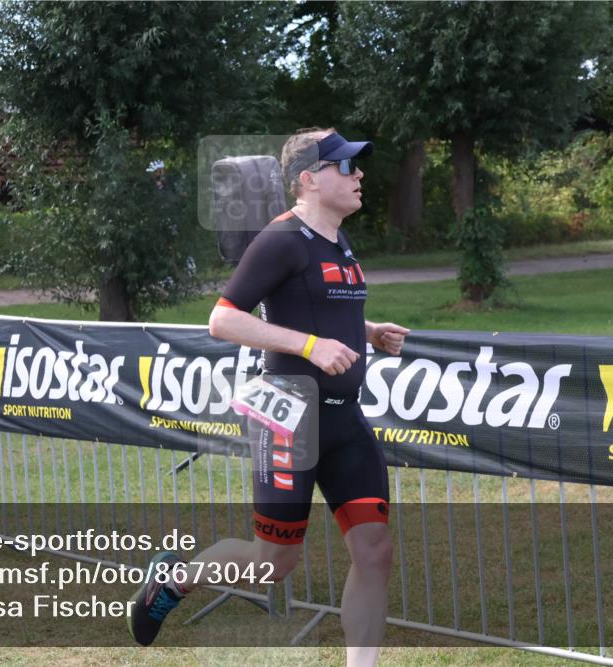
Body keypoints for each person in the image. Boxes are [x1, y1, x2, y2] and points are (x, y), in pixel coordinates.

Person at [129, 128, 410, 666]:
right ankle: (174, 578)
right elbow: (223, 319)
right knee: (273, 562)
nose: (359, 175)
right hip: (288, 419)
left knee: (374, 550)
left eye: (357, 167)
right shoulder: (281, 239)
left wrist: (367, 331)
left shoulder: (336, 240)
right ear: (309, 179)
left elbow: (312, 306)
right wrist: (310, 346)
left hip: (344, 421)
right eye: (346, 167)